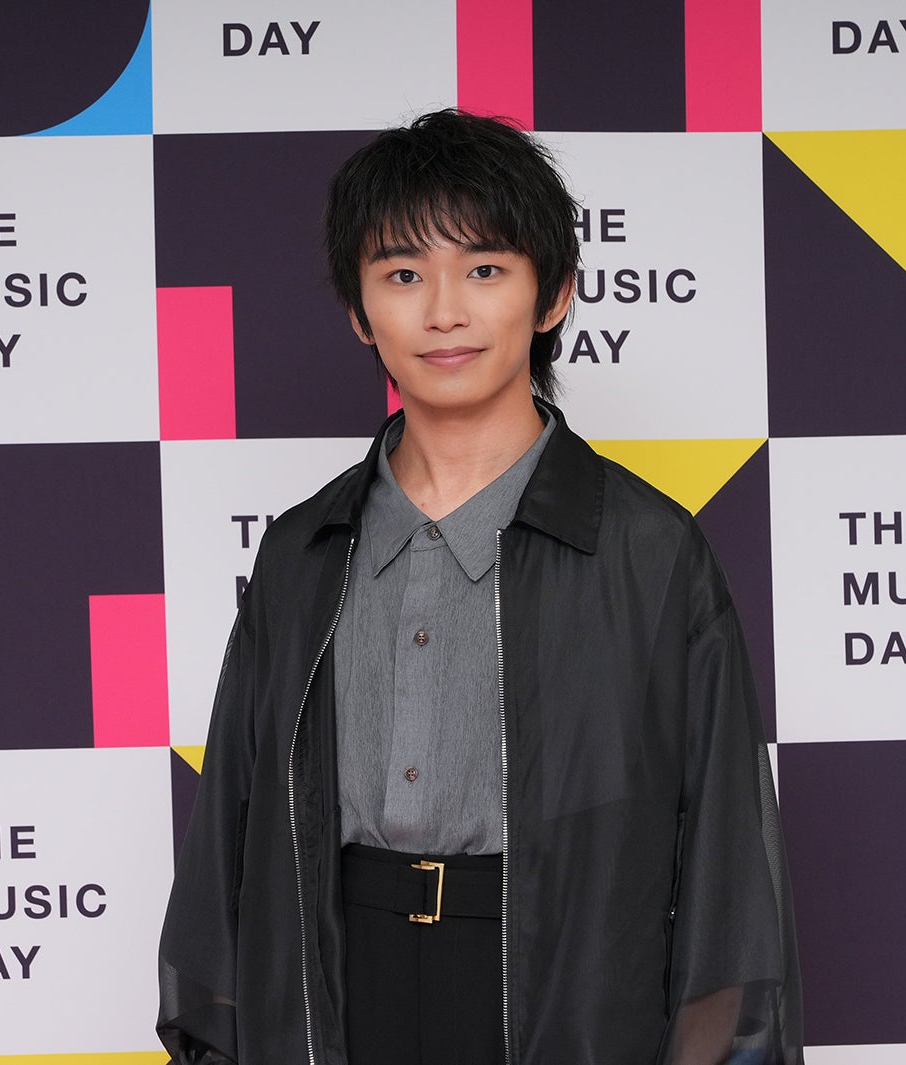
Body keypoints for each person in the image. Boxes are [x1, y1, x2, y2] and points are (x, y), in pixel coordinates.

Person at [158, 108, 802, 1064]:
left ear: (553, 296)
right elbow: (230, 836)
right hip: (337, 987)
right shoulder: (301, 552)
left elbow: (725, 857)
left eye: (486, 270)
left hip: (564, 994)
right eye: (402, 274)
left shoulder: (650, 552)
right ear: (359, 309)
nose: (444, 311)